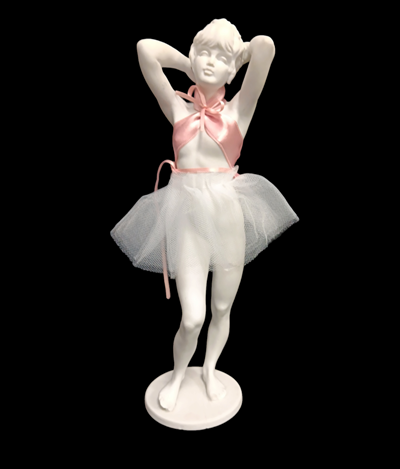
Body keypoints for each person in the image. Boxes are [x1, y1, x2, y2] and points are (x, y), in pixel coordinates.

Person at [111, 19, 299, 411]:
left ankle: (210, 369)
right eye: (205, 54)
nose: (211, 62)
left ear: (233, 70)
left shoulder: (239, 112)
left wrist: (238, 55)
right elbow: (145, 49)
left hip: (227, 214)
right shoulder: (178, 109)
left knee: (222, 308)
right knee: (192, 317)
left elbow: (265, 46)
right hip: (185, 216)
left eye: (220, 58)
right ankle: (179, 375)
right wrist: (190, 63)